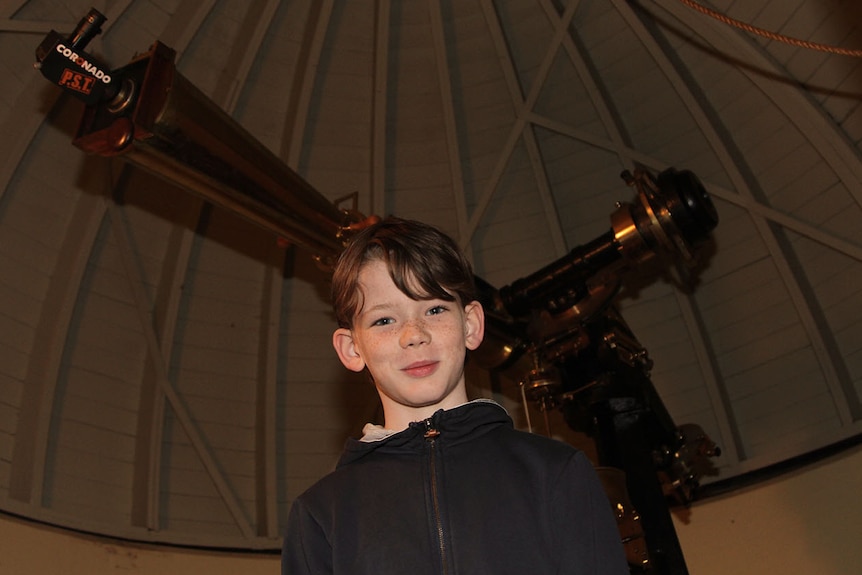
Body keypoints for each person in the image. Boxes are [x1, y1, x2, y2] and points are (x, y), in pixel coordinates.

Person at [282, 216, 629, 574]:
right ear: (352, 349)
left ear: (471, 325)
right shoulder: (322, 515)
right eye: (384, 320)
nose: (414, 335)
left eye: (434, 310)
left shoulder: (556, 473)